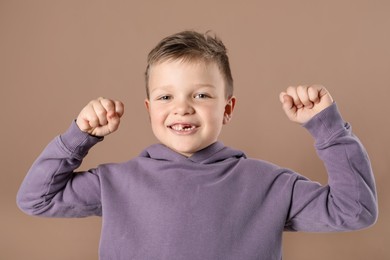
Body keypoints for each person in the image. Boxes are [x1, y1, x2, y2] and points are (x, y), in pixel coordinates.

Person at [17, 30, 378, 260]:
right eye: (165, 97)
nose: (182, 107)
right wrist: (79, 136)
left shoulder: (269, 184)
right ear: (149, 109)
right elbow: (36, 199)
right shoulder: (116, 182)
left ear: (228, 108)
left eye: (201, 94)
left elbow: (355, 210)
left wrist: (327, 128)